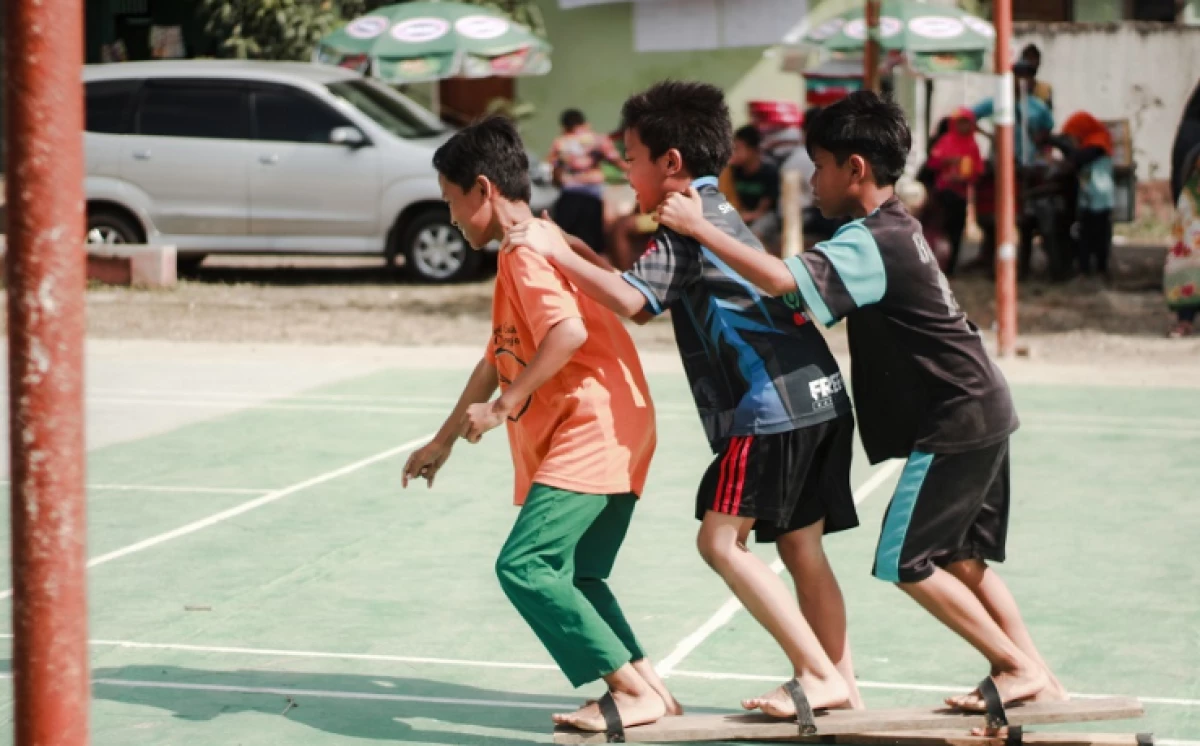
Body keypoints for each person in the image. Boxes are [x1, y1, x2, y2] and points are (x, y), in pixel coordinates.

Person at [653, 91, 1068, 723]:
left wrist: (698, 228)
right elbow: (803, 301)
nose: (812, 180)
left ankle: (1017, 667)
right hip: (981, 406)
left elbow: (778, 280)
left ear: (854, 169)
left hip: (955, 415)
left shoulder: (870, 241)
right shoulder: (890, 230)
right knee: (962, 559)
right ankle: (1038, 675)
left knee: (907, 560)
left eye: (818, 166)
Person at [506, 80, 865, 719]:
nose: (626, 168)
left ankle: (816, 673)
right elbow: (635, 281)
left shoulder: (682, 222)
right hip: (821, 393)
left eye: (634, 156)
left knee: (720, 543)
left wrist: (555, 250)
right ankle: (842, 682)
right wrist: (577, 251)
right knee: (801, 546)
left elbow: (631, 302)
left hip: (771, 406)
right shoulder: (711, 210)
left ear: (671, 163)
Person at [402, 116, 680, 736]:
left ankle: (633, 692)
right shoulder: (537, 239)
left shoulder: (525, 251)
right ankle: (651, 687)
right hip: (624, 423)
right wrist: (442, 439)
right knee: (579, 574)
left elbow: (569, 332)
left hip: (594, 426)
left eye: (452, 204)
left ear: (482, 189)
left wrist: (502, 409)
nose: (450, 219)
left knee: (525, 566)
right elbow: (494, 356)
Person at [548, 109, 627, 255]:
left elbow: (555, 172)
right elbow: (616, 160)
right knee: (593, 243)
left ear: (564, 127)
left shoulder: (560, 143)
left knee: (566, 241)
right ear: (585, 123)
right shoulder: (597, 140)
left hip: (569, 195)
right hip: (593, 195)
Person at [1054, 111, 1115, 280]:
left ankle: (1100, 269)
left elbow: (1079, 158)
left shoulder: (1098, 143)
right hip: (1088, 198)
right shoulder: (1087, 143)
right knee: (1085, 234)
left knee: (1099, 235)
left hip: (1100, 198)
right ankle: (1086, 269)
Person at [925, 108, 984, 275]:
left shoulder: (972, 145)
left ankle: (950, 267)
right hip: (943, 193)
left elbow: (978, 170)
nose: (963, 126)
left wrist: (966, 177)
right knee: (939, 229)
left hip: (960, 195)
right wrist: (948, 161)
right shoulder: (946, 141)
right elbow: (932, 163)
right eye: (960, 123)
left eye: (967, 123)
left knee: (956, 231)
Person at [729, 124, 782, 251]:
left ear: (753, 150)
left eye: (737, 149)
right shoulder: (734, 171)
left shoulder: (769, 171)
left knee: (753, 234)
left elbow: (764, 209)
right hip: (741, 213)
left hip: (764, 215)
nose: (733, 153)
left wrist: (748, 216)